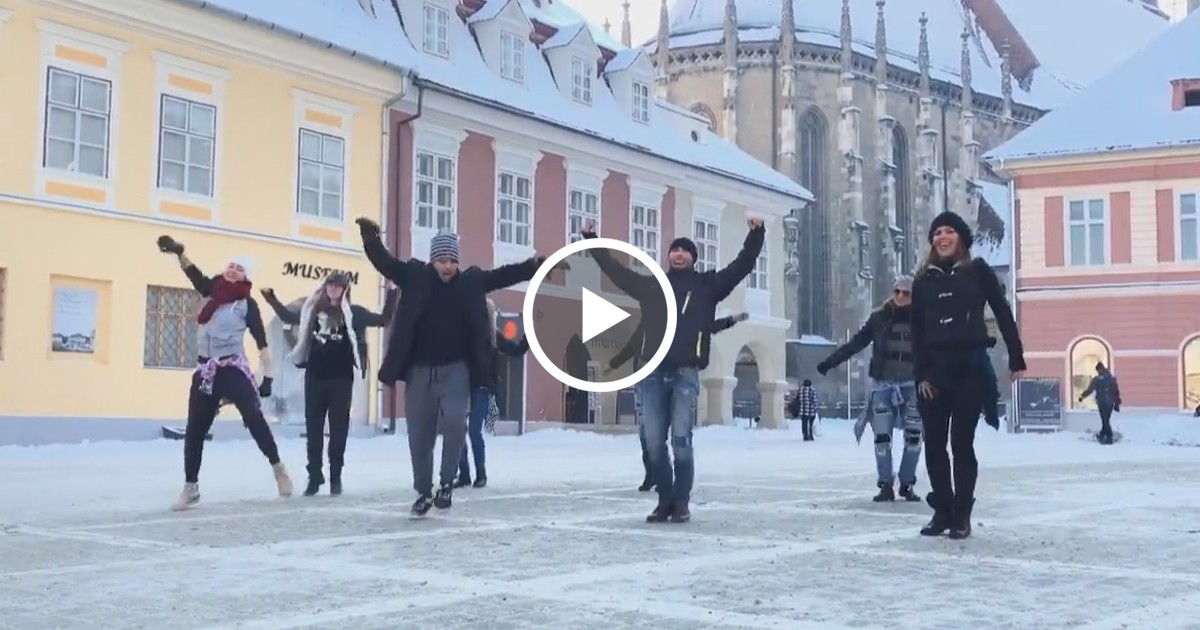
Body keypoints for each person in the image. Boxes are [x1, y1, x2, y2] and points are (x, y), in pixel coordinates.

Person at [355, 217, 546, 517]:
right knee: (420, 435)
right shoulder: (415, 276)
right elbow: (385, 263)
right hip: (418, 371)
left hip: (456, 370)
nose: (446, 267)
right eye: (441, 260)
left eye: (451, 261)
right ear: (432, 260)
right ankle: (423, 492)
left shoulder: (470, 282)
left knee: (456, 422)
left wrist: (533, 266)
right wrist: (370, 237)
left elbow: (503, 276)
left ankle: (446, 484)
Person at [583, 218, 765, 523]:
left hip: (685, 373)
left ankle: (681, 501)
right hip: (651, 373)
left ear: (693, 257)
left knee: (681, 439)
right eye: (674, 250)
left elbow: (742, 265)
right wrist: (591, 239)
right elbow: (616, 272)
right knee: (654, 442)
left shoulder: (708, 286)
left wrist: (756, 233)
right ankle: (664, 500)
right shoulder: (652, 284)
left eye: (685, 251)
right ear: (668, 256)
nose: (678, 255)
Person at [155, 235, 292, 511]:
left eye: (239, 268)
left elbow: (262, 345)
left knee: (254, 418)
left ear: (245, 277)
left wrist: (267, 380)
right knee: (195, 428)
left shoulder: (246, 305)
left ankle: (278, 468)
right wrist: (179, 253)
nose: (232, 270)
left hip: (231, 369)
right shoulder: (211, 291)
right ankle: (190, 488)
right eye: (231, 265)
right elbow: (193, 273)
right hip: (206, 370)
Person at [911, 211, 1026, 539]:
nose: (942, 237)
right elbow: (917, 332)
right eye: (936, 233)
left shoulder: (978, 272)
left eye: (948, 231)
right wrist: (921, 375)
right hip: (933, 372)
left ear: (961, 238)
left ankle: (962, 514)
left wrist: (1016, 355)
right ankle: (942, 510)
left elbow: (1002, 312)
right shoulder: (922, 281)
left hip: (969, 369)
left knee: (961, 444)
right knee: (933, 445)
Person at [259, 275, 398, 496]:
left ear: (345, 289)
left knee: (338, 430)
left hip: (341, 379)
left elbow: (384, 320)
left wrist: (392, 291)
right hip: (315, 377)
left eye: (338, 286)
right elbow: (287, 316)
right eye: (330, 285)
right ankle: (314, 477)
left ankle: (335, 477)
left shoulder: (354, 313)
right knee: (313, 430)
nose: (333, 289)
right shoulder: (311, 310)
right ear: (325, 288)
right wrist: (271, 297)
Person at [609, 313, 750, 493]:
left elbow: (708, 326)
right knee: (647, 433)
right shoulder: (649, 323)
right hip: (645, 382)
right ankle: (652, 474)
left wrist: (731, 320)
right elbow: (631, 346)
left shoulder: (681, 323)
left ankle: (672, 483)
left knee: (675, 433)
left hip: (669, 380)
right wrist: (614, 363)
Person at [817, 275, 922, 502]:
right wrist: (830, 362)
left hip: (912, 386)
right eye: (897, 292)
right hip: (883, 386)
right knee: (882, 438)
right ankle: (885, 484)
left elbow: (937, 350)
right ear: (892, 293)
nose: (901, 297)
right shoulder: (879, 318)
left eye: (907, 293)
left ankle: (906, 483)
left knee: (914, 438)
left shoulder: (922, 319)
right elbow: (856, 343)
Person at [456, 298, 530, 489]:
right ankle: (463, 474)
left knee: (473, 431)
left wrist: (529, 336)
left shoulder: (494, 337)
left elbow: (517, 350)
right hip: (461, 388)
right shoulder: (463, 336)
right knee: (456, 431)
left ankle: (481, 474)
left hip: (481, 389)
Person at [1079, 362, 1121, 445]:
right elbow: (1116, 392)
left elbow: (1090, 390)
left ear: (1099, 370)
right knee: (1105, 419)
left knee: (1105, 419)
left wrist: (1082, 396)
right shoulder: (1111, 378)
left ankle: (1109, 436)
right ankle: (1103, 434)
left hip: (1102, 401)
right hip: (1110, 401)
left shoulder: (1097, 379)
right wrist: (1117, 403)